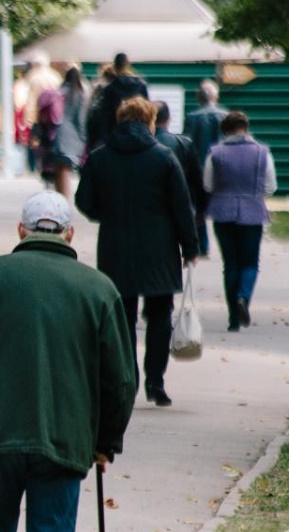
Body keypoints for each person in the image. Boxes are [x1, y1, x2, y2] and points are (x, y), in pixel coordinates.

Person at [0, 190, 137, 532]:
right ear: (70, 234)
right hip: (64, 442)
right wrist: (105, 442)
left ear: (21, 230)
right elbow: (122, 381)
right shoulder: (99, 290)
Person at [76, 97, 199, 407]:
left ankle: (126, 379)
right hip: (160, 246)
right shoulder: (164, 157)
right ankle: (155, 381)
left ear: (120, 120)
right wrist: (191, 246)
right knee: (160, 314)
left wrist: (105, 214)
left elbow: (83, 199)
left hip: (116, 244)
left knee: (123, 317)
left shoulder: (100, 157)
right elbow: (181, 207)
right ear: (151, 122)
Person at [203, 110, 277, 332]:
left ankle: (233, 319)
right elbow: (271, 186)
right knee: (250, 262)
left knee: (231, 264)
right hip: (253, 212)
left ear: (225, 130)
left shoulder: (215, 153)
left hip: (223, 212)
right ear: (246, 128)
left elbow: (208, 184)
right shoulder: (262, 153)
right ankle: (243, 297)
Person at [184, 80, 230, 257]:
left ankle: (203, 246)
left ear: (199, 97)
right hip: (221, 170)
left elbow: (187, 144)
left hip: (198, 170)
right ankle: (226, 245)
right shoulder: (225, 116)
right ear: (215, 96)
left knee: (199, 210)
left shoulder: (192, 117)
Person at [153, 101, 206, 232]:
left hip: (148, 210)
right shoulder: (184, 144)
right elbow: (197, 180)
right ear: (168, 119)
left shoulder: (141, 144)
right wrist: (200, 210)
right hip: (178, 206)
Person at [87, 52, 149, 155]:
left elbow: (104, 118)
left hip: (115, 138)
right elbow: (148, 112)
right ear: (128, 65)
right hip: (139, 136)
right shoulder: (141, 86)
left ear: (114, 66)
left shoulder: (109, 88)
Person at [49, 65, 89, 201]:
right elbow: (81, 119)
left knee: (58, 170)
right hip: (72, 136)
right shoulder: (80, 95)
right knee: (67, 170)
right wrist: (84, 138)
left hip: (56, 133)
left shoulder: (58, 92)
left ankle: (59, 198)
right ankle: (64, 201)